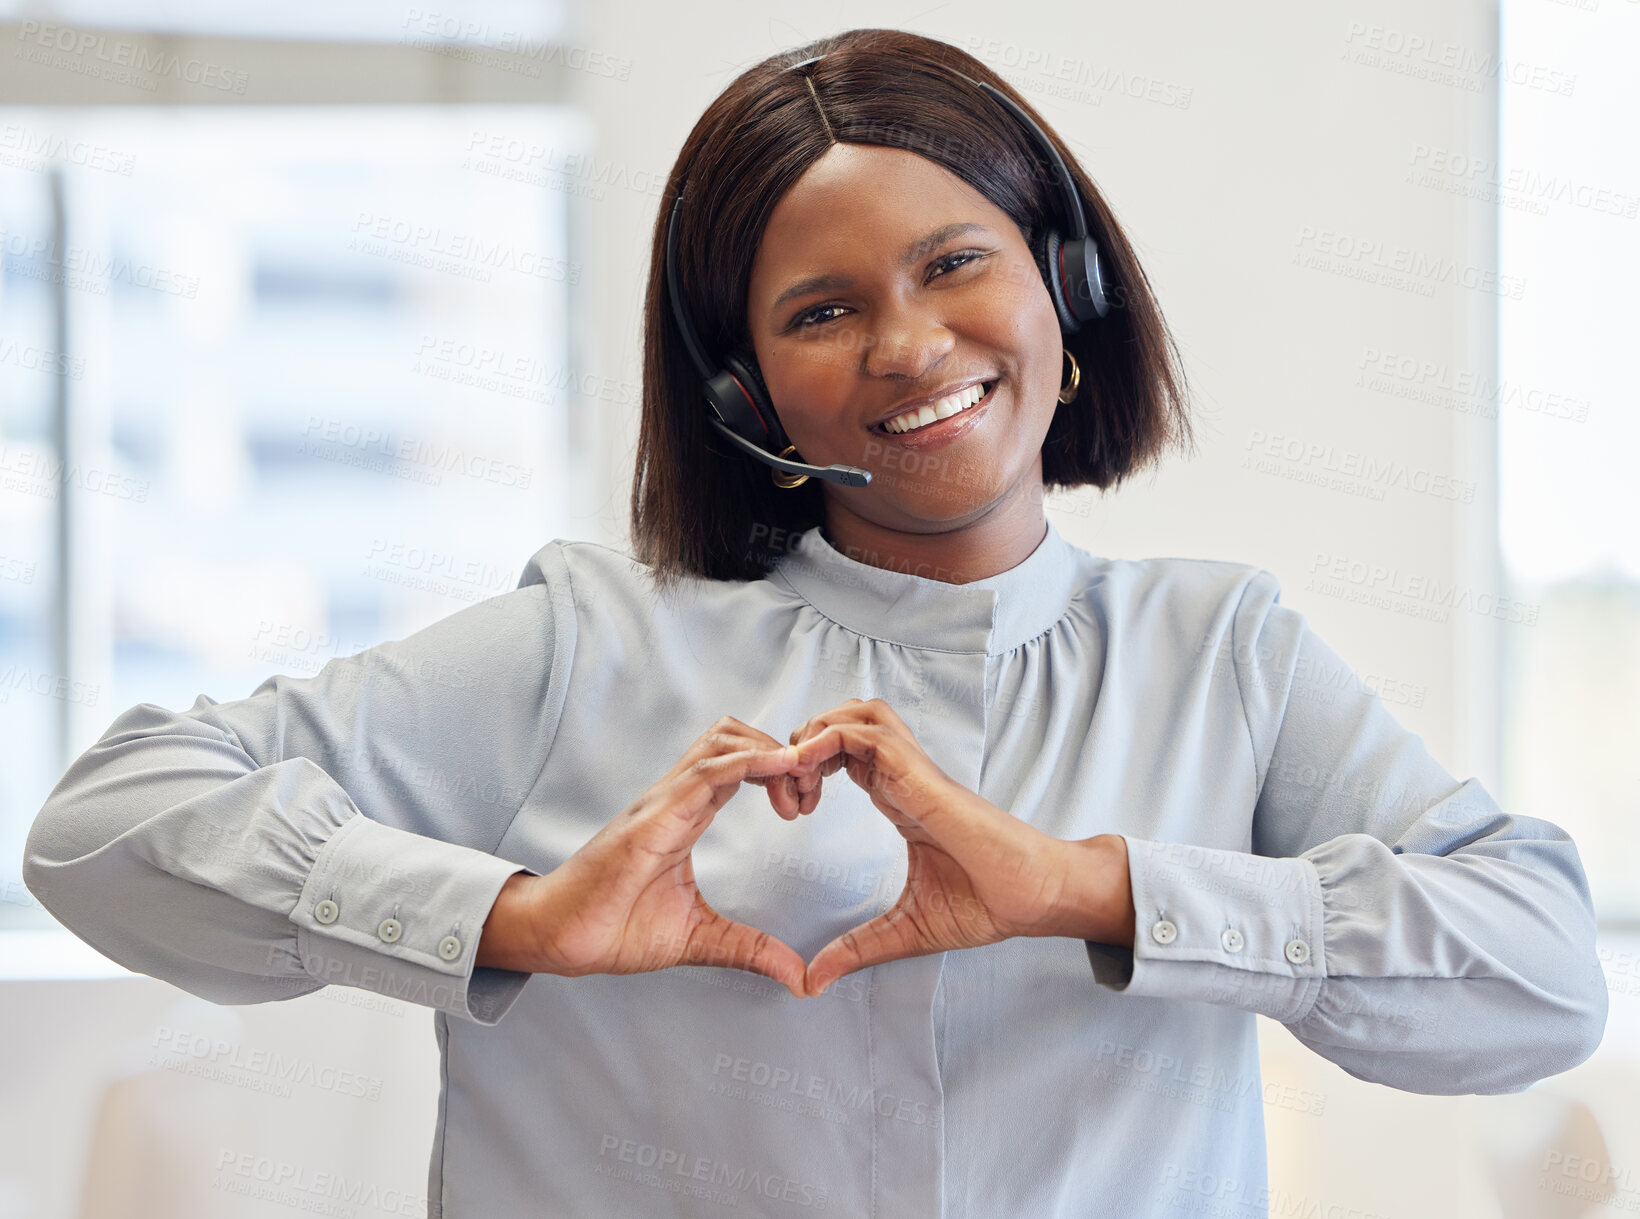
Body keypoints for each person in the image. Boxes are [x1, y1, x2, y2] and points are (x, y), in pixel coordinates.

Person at [23, 28, 1606, 1219]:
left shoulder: (1227, 657)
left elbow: (1541, 982)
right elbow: (106, 826)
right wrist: (509, 920)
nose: (910, 348)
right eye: (821, 311)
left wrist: (1092, 890)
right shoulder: (588, 643)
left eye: (955, 263)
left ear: (1069, 283)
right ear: (741, 389)